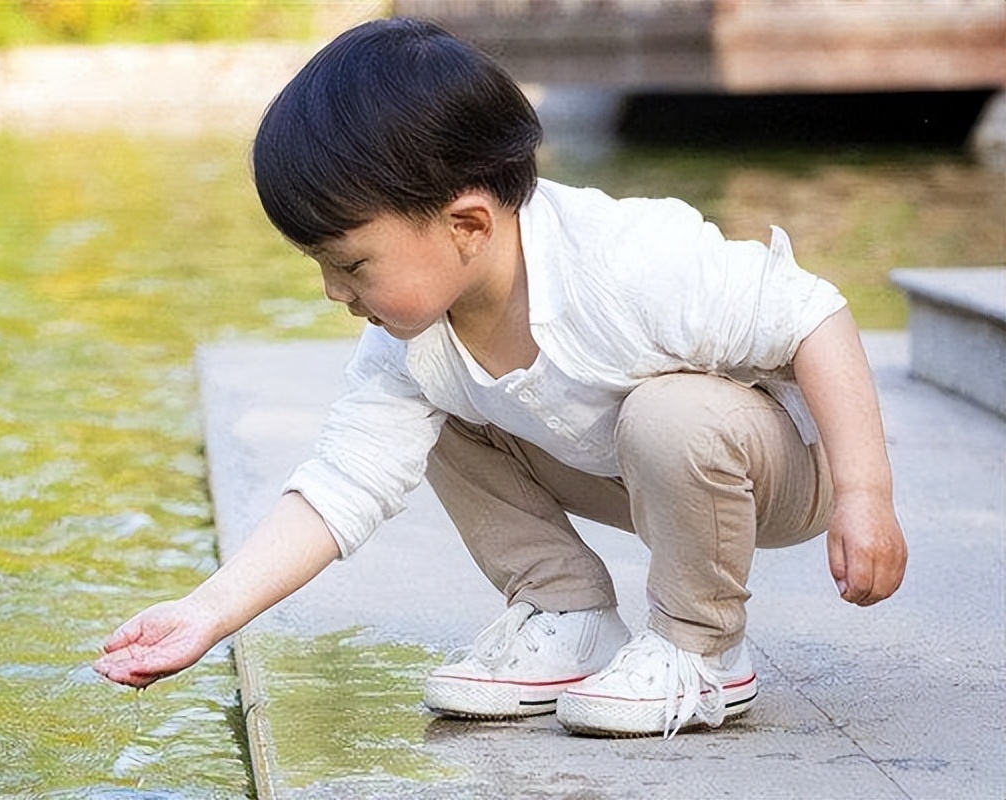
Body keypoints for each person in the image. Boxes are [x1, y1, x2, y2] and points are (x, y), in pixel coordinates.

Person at [92, 17, 907, 739]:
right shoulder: (414, 341)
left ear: (468, 224)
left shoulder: (626, 263)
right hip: (631, 468)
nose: (335, 292)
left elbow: (813, 314)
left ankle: (702, 648)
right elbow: (344, 483)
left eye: (351, 264)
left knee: (672, 413)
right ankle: (567, 612)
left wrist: (865, 495)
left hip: (783, 467)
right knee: (441, 402)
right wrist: (205, 614)